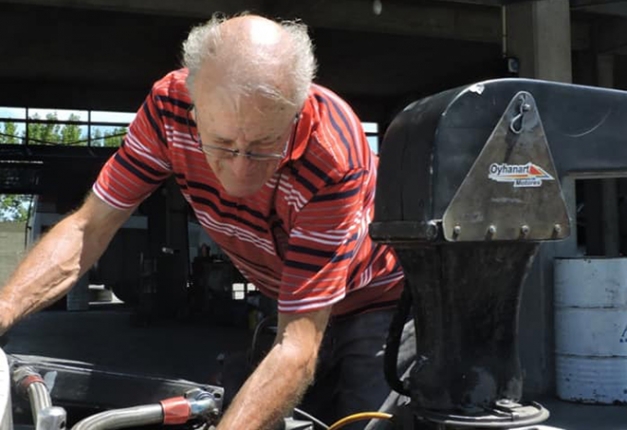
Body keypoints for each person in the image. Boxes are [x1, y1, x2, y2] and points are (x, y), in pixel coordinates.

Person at [0, 13, 409, 429]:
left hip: (372, 299)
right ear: (194, 109)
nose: (241, 172)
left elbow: (296, 346)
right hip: (285, 289)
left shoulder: (332, 154)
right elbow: (89, 227)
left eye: (264, 145)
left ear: (296, 110)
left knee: (366, 419)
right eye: (224, 143)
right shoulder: (167, 108)